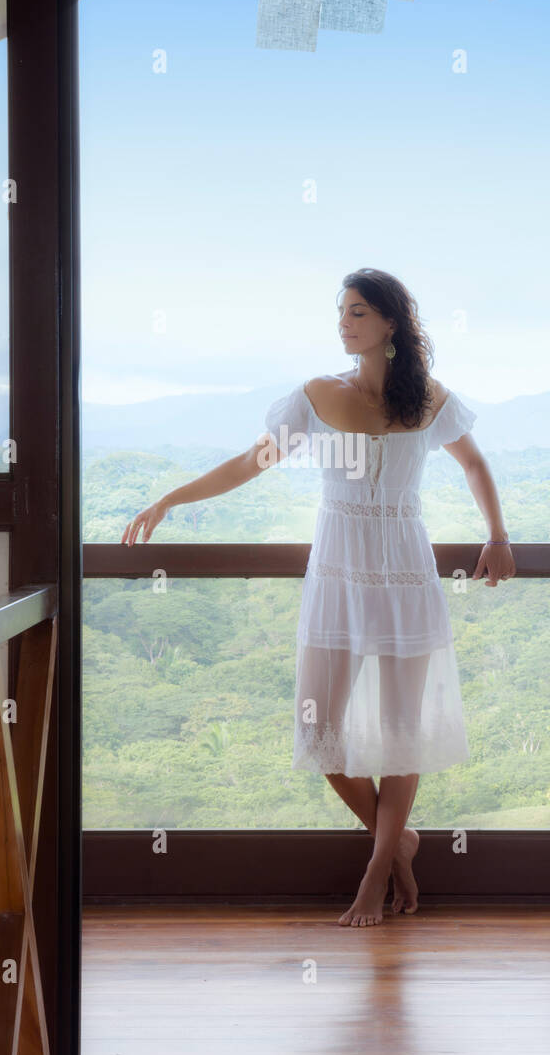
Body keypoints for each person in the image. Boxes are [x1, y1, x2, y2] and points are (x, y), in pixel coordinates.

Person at [121, 268, 516, 927]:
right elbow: (251, 462)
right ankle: (400, 843)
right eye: (341, 311)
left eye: (358, 312)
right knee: (319, 728)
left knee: (402, 735)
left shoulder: (430, 399)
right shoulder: (313, 395)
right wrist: (170, 499)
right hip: (337, 573)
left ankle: (376, 870)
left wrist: (497, 535)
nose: (343, 321)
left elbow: (474, 464)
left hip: (407, 577)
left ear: (390, 324)